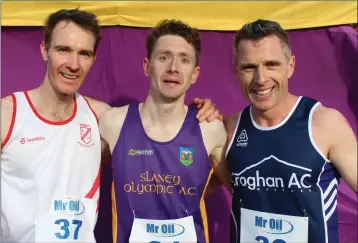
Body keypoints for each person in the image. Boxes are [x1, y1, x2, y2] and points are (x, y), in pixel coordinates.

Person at [0, 9, 221, 243]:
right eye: (63, 50)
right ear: (45, 49)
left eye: (84, 53)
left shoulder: (101, 117)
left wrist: (206, 109)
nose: (73, 64)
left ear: (93, 59)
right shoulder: (8, 115)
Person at [225, 19, 357, 243]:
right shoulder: (229, 128)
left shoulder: (325, 123)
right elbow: (186, 187)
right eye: (249, 67)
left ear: (291, 66)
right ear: (236, 70)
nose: (261, 79)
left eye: (271, 64)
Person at [99, 19, 231, 243]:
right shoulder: (113, 123)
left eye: (184, 59)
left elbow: (243, 187)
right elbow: (79, 178)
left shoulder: (210, 128)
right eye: (163, 57)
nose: (173, 67)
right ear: (146, 66)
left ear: (195, 74)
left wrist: (186, 188)